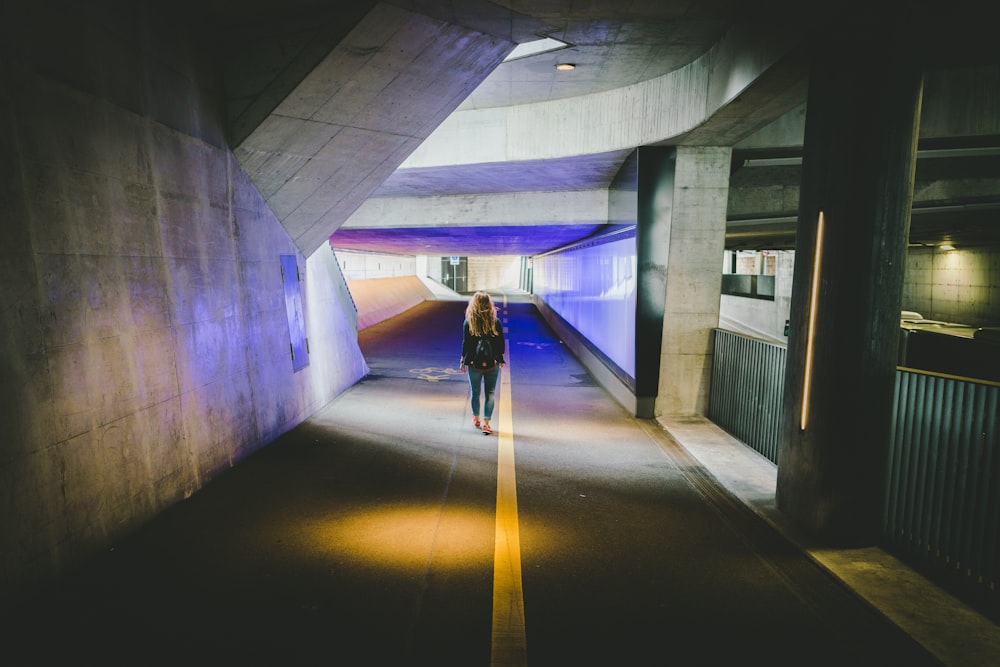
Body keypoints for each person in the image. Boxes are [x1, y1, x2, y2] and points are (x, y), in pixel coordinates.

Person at [459, 291, 506, 435]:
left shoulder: (469, 323)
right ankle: (487, 423)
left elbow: (466, 344)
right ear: (489, 305)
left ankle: (476, 418)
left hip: (474, 363)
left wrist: (463, 361)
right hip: (492, 363)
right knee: (490, 393)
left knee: (475, 392)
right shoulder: (495, 322)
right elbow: (500, 344)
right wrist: (500, 359)